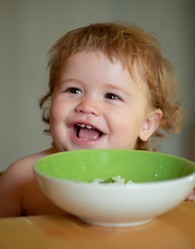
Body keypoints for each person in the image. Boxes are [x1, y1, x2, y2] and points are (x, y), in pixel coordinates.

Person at [0, 22, 192, 217]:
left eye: (111, 96)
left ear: (147, 124)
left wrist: (183, 202)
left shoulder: (163, 187)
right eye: (73, 90)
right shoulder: (21, 179)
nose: (87, 106)